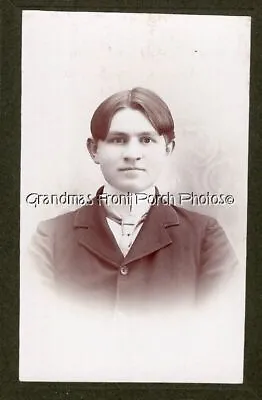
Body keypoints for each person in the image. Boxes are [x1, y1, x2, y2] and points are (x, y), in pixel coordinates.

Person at [29, 87, 237, 313]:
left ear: (167, 149)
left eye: (146, 140)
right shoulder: (50, 239)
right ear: (94, 150)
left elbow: (219, 326)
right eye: (118, 140)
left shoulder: (206, 238)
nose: (132, 153)